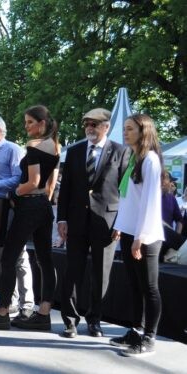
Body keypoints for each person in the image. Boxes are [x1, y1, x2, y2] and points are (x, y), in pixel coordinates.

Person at [0, 104, 60, 330]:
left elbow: (32, 182)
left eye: (30, 122)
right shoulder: (55, 145)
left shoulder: (33, 147)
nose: (26, 127)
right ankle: (43, 313)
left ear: (42, 123)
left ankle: (2, 311)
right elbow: (49, 182)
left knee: (8, 258)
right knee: (44, 259)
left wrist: (14, 192)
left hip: (30, 205)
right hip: (43, 205)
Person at [56, 108, 129, 338]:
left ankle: (95, 320)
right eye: (87, 124)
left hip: (106, 222)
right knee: (73, 271)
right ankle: (70, 320)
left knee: (100, 274)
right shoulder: (76, 151)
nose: (90, 128)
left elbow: (125, 191)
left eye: (95, 124)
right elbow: (65, 188)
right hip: (76, 221)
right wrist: (62, 219)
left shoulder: (121, 151)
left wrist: (122, 222)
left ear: (106, 127)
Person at [111, 114, 164, 357]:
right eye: (125, 128)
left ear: (143, 131)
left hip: (146, 236)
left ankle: (149, 338)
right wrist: (121, 226)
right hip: (131, 232)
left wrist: (140, 238)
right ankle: (135, 330)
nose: (125, 132)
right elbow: (129, 200)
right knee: (135, 286)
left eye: (130, 129)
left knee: (149, 287)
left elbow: (150, 203)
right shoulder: (135, 158)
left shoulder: (150, 160)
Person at [0, 113, 34, 320]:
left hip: (10, 208)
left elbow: (20, 179)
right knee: (1, 258)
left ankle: (27, 304)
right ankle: (9, 302)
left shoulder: (12, 149)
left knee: (18, 257)